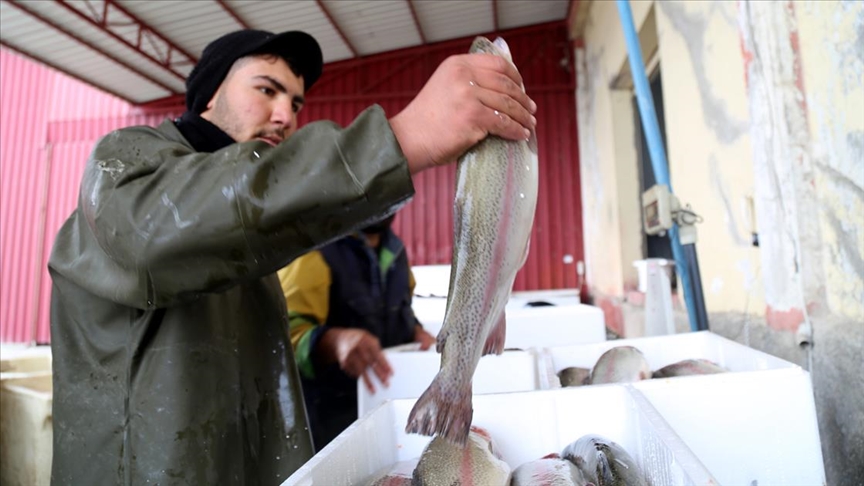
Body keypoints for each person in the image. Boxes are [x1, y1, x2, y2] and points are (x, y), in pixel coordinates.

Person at [48, 28, 536, 485]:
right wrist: (404, 138)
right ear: (211, 93)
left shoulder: (257, 238)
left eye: (296, 101)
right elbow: (157, 232)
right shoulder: (127, 167)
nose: (286, 114)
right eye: (266, 89)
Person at [277, 212, 435, 450]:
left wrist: (417, 333)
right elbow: (282, 339)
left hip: (387, 421)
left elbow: (403, 309)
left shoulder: (396, 250)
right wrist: (334, 341)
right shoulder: (312, 250)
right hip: (327, 432)